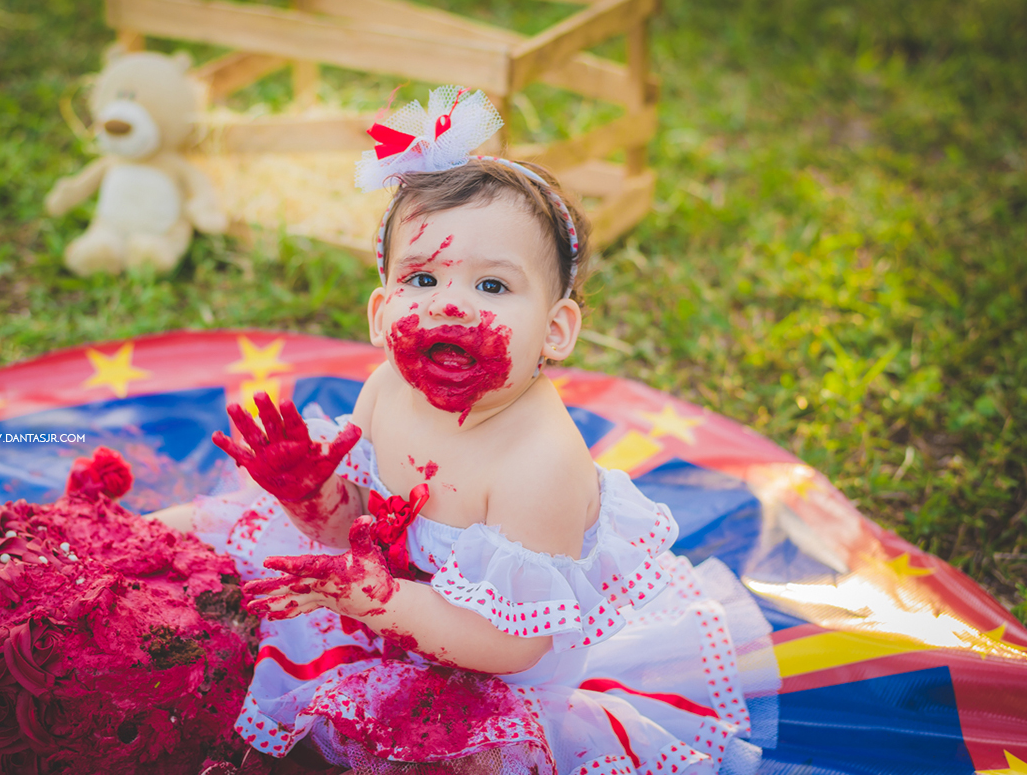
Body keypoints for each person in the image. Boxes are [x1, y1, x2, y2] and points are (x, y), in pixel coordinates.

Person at [158, 86, 779, 775]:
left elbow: (509, 644)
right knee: (208, 556)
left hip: (479, 683)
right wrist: (310, 495)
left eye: (492, 287)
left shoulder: (538, 463)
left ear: (556, 329)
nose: (451, 301)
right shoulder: (387, 389)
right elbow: (351, 528)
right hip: (373, 610)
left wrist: (381, 600)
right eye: (421, 278)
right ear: (379, 309)